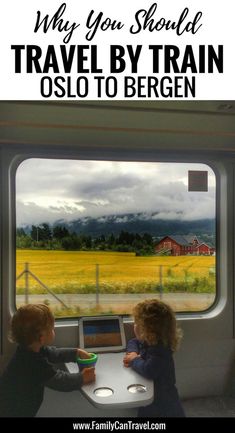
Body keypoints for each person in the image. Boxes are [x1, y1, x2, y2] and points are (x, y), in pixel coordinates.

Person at [0, 304, 95, 417]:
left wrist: (76, 353)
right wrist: (82, 378)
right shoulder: (32, 363)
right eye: (52, 329)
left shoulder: (30, 349)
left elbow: (55, 353)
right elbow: (60, 381)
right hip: (13, 411)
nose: (54, 331)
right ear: (41, 337)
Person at [123, 299, 185, 417]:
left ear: (147, 330)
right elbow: (133, 342)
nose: (134, 325)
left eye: (136, 323)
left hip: (163, 400)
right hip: (152, 393)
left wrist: (134, 360)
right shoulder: (148, 341)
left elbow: (149, 370)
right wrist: (133, 353)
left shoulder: (161, 350)